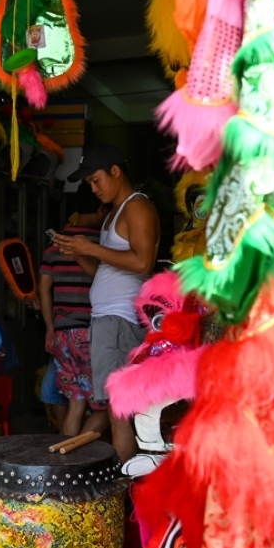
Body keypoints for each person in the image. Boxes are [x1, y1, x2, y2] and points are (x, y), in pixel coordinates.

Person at [56, 144, 160, 461]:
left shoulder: (136, 207)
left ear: (116, 171)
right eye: (89, 183)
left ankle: (123, 491)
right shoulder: (113, 213)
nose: (93, 188)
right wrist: (81, 254)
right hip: (106, 320)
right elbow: (106, 268)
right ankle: (124, 487)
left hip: (120, 320)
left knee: (120, 410)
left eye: (97, 179)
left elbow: (143, 263)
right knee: (117, 409)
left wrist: (93, 248)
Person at [40, 185, 108, 437]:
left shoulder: (54, 246)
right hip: (92, 333)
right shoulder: (101, 244)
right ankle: (79, 455)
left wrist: (50, 327)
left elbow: (43, 288)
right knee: (106, 408)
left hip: (62, 335)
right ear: (102, 207)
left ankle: (65, 463)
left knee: (76, 404)